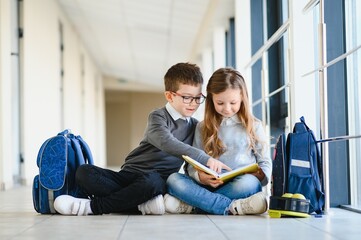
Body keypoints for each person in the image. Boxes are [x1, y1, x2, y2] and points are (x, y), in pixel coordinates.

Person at [53, 62, 229, 216]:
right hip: (129, 174)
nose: (193, 103)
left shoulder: (195, 126)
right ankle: (141, 205)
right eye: (187, 98)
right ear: (169, 96)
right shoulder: (158, 116)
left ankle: (92, 207)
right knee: (84, 172)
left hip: (156, 182)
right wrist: (204, 157)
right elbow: (166, 142)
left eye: (198, 98)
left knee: (151, 183)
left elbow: (193, 161)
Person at [164, 67, 272, 215]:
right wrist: (200, 177)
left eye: (233, 102)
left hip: (238, 185)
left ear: (242, 98)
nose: (227, 109)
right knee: (173, 179)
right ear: (211, 100)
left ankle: (195, 206)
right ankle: (233, 207)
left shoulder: (254, 126)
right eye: (220, 103)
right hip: (207, 186)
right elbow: (191, 165)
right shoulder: (202, 127)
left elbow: (265, 162)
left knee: (250, 183)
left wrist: (261, 175)